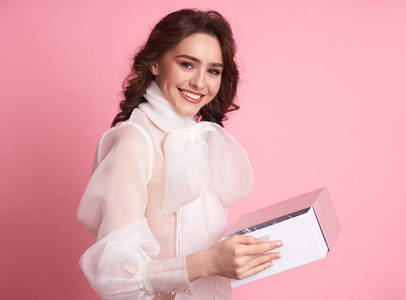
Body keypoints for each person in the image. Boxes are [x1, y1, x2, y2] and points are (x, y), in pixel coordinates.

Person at [76, 9, 283, 300]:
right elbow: (115, 274)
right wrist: (210, 262)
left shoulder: (198, 138)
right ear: (156, 64)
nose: (200, 83)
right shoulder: (135, 142)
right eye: (187, 64)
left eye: (213, 70)